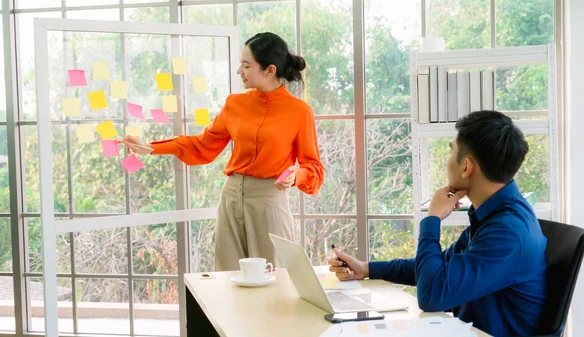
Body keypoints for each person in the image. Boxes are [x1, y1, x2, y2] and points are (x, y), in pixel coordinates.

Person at [329, 110, 547, 337]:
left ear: (466, 167)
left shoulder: (507, 233)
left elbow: (432, 294)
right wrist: (367, 269)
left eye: (450, 151)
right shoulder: (496, 214)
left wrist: (433, 218)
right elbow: (439, 268)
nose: (447, 161)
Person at [123, 32, 324, 272]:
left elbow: (313, 167)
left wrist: (295, 175)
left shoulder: (299, 111)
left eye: (246, 65)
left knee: (274, 275)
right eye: (241, 63)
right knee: (229, 275)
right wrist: (152, 147)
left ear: (269, 70)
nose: (239, 71)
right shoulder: (234, 104)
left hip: (269, 202)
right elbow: (203, 144)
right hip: (230, 199)